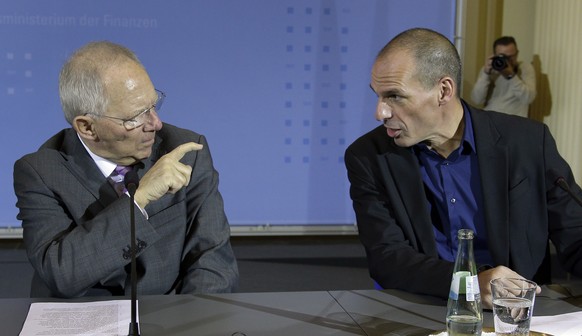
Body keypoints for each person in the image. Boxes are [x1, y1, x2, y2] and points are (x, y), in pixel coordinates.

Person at [344, 28, 582, 308]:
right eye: (379, 96)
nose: (380, 113)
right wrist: (469, 284)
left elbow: (575, 234)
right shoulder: (368, 157)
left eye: (394, 96)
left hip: (516, 312)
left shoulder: (528, 142)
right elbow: (387, 257)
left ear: (443, 90)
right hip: (427, 307)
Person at [13, 41, 239, 298]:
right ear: (87, 127)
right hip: (86, 317)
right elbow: (62, 273)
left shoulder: (186, 150)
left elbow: (212, 259)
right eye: (135, 117)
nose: (155, 123)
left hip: (172, 314)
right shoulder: (41, 172)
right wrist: (138, 201)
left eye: (154, 105)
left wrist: (191, 321)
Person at [470, 36, 536, 118]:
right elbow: (477, 100)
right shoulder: (490, 69)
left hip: (515, 122)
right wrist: (486, 74)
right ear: (494, 55)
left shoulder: (525, 68)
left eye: (511, 57)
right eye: (503, 57)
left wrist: (511, 76)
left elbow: (528, 98)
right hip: (490, 120)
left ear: (517, 53)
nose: (507, 61)